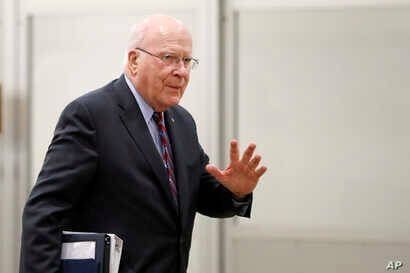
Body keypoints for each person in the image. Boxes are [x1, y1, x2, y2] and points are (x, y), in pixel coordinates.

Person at [19, 14, 267, 273]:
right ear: (134, 60)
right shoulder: (90, 115)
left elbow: (198, 196)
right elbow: (45, 212)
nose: (181, 71)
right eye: (169, 58)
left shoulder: (182, 122)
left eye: (186, 61)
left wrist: (236, 193)